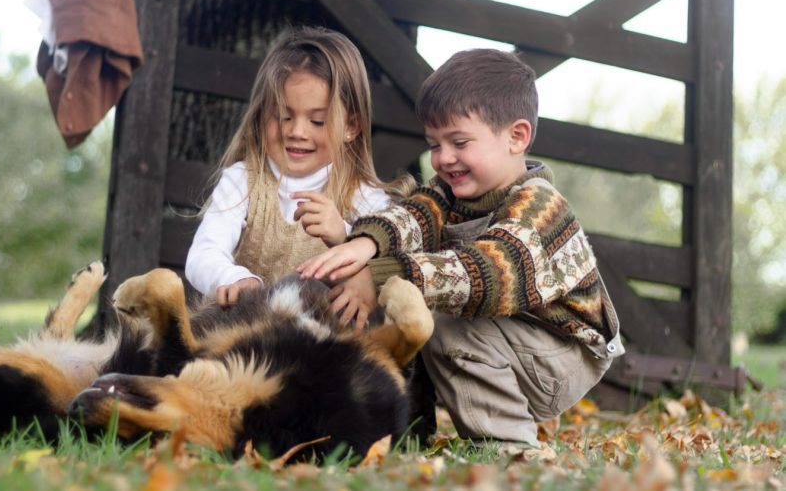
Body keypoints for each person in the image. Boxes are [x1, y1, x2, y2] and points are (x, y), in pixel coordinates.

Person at [297, 48, 624, 447]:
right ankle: (404, 431)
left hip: (563, 355)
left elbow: (483, 274)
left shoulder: (540, 208)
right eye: (434, 144)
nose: (443, 159)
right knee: (411, 306)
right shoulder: (450, 193)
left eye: (459, 142)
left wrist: (381, 276)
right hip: (514, 338)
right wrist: (366, 245)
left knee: (441, 315)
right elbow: (414, 216)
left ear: (516, 137)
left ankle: (508, 449)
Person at [186, 27, 407, 314]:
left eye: (317, 121)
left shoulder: (364, 197)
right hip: (245, 335)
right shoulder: (243, 180)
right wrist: (235, 278)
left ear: (351, 127)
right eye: (283, 116)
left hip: (319, 343)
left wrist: (345, 236)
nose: (297, 131)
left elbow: (388, 270)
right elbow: (203, 254)